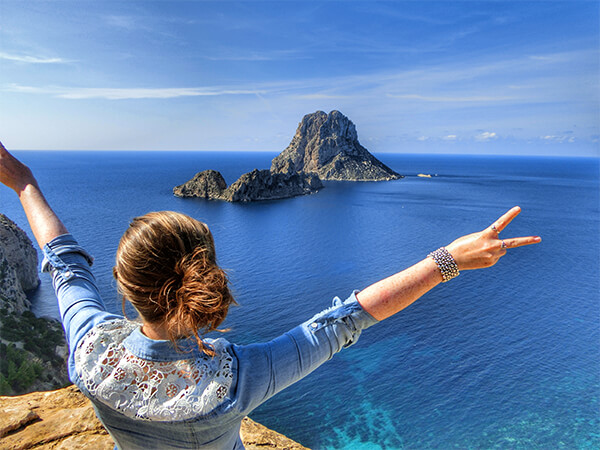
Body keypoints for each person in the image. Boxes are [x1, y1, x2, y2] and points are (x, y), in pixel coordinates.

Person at [0, 142, 541, 449]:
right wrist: (448, 259)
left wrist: (24, 183)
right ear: (205, 274)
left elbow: (64, 265)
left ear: (124, 283)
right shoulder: (234, 381)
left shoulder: (90, 350)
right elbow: (345, 320)